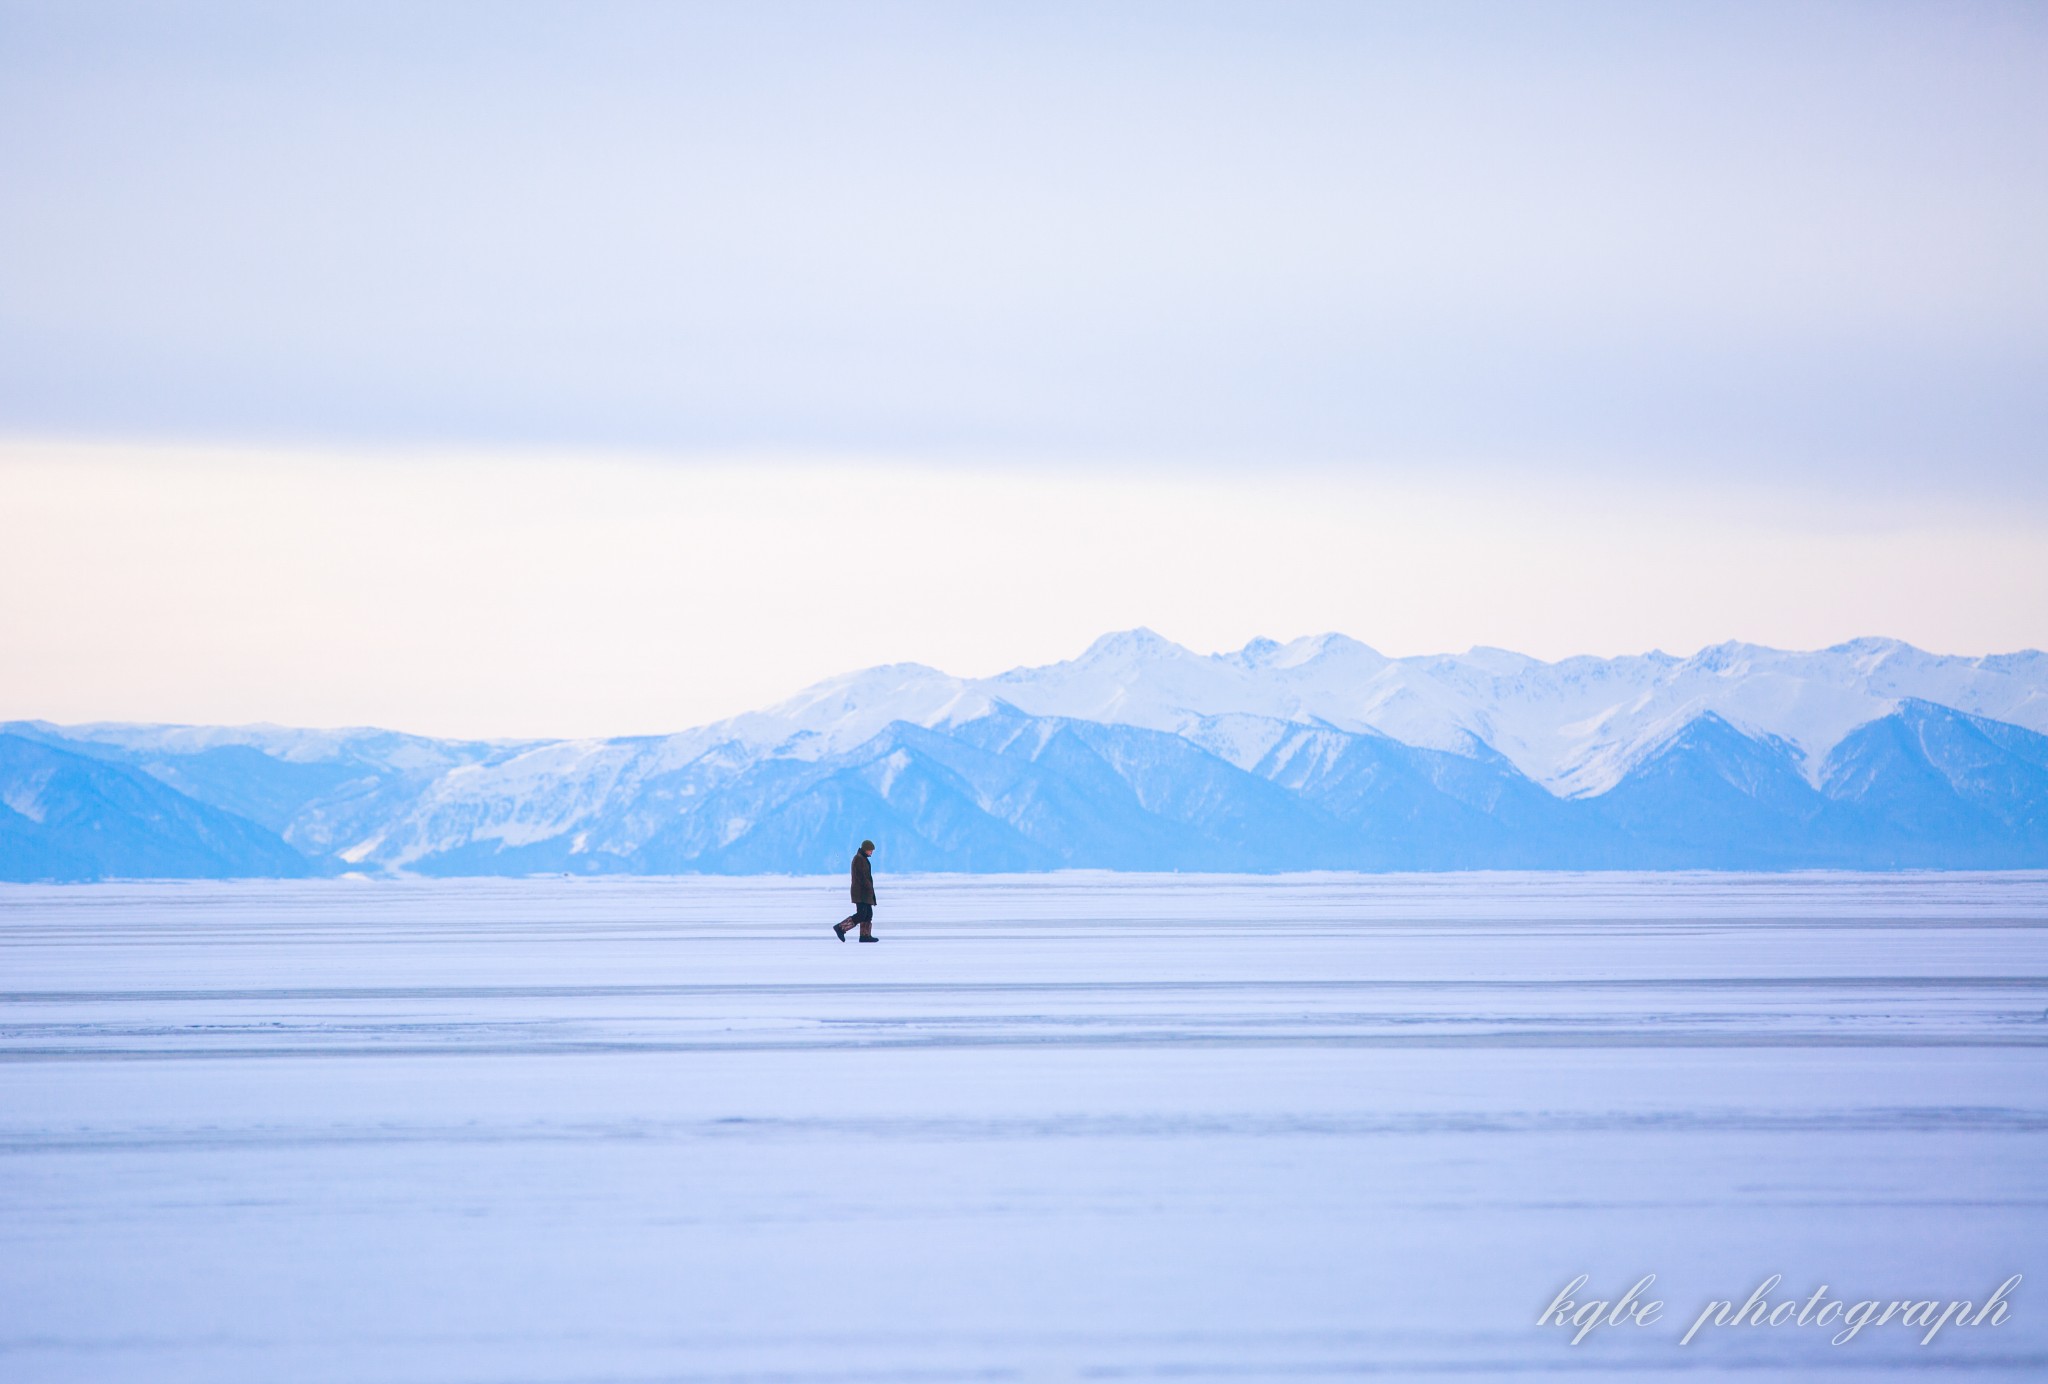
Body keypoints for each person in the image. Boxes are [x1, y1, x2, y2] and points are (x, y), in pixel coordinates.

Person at [833, 840, 879, 942]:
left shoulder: (863, 859)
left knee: (868, 914)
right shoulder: (858, 859)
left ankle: (865, 936)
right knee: (861, 914)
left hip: (865, 893)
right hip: (861, 893)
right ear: (866, 849)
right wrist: (867, 886)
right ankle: (840, 928)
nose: (872, 852)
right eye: (871, 850)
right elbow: (861, 877)